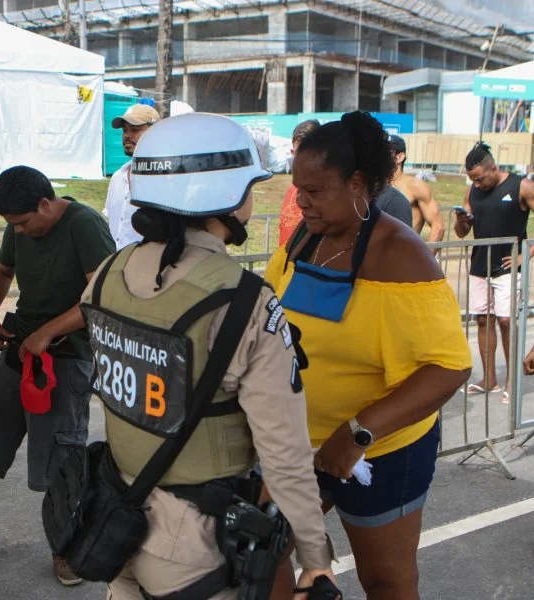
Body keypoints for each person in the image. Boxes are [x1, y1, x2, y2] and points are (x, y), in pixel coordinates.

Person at [77, 112, 336, 600]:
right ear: (225, 197)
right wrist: (315, 559)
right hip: (192, 546)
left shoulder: (108, 273)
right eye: (249, 188)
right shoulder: (244, 303)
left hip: (113, 517)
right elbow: (284, 453)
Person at [265, 112, 472, 600]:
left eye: (314, 190)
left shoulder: (401, 255)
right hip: (299, 444)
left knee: (386, 580)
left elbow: (449, 366)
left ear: (357, 183)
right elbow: (270, 311)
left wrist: (358, 433)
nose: (300, 201)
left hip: (377, 452)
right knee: (261, 551)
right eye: (297, 189)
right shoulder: (306, 238)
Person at [0, 165, 114, 585]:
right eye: (11, 225)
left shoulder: (85, 226)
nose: (17, 232)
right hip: (19, 349)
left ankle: (66, 545)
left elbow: (101, 297)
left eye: (21, 223)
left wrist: (48, 332)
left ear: (44, 204)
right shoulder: (19, 225)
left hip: (67, 356)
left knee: (59, 463)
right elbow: (2, 271)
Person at [454, 142, 534, 397]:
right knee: (483, 320)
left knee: (506, 321)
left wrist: (525, 254)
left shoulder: (521, 186)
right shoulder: (472, 191)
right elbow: (462, 232)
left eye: (479, 179)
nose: (477, 184)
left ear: (493, 168)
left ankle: (512, 381)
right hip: (480, 265)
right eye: (472, 180)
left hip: (508, 266)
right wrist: (461, 222)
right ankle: (489, 380)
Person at [104, 103, 161, 249]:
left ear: (155, 133)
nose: (127, 136)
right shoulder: (118, 177)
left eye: (135, 130)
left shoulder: (166, 178)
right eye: (124, 130)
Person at [388, 135, 444, 247]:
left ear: (399, 157)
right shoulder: (374, 186)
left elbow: (438, 227)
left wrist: (425, 256)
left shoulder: (415, 186)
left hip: (403, 253)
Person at [279, 119, 320, 246]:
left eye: (309, 153)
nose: (303, 160)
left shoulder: (327, 195)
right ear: (292, 153)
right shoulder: (292, 189)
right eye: (299, 153)